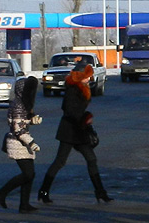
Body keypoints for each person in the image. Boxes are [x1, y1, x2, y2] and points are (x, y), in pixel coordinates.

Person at [37, 60, 112, 204]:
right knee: (60, 162)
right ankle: (43, 191)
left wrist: (84, 118)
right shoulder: (73, 89)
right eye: (87, 76)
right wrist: (85, 117)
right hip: (70, 130)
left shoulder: (82, 87)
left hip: (78, 130)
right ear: (79, 76)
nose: (90, 79)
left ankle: (100, 192)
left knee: (91, 159)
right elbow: (69, 110)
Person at [0, 76, 41, 213]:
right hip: (18, 143)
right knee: (28, 174)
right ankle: (2, 192)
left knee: (30, 174)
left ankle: (24, 205)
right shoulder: (19, 105)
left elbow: (20, 123)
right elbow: (17, 129)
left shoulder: (21, 103)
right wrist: (31, 143)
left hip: (22, 142)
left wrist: (32, 121)